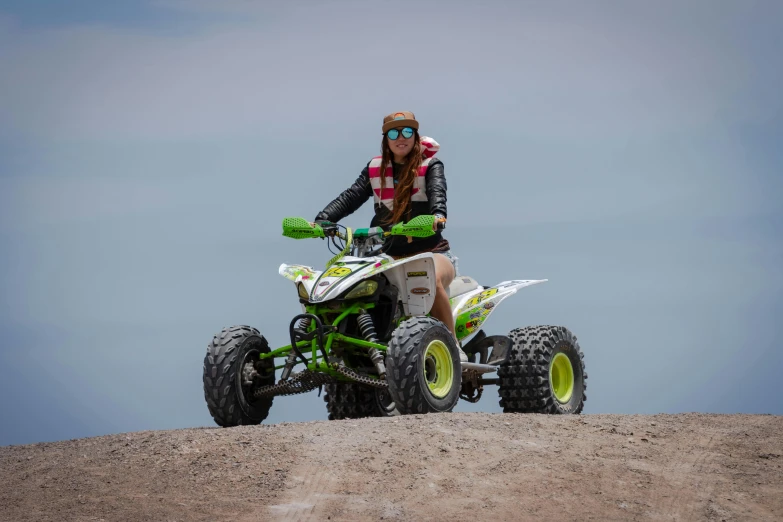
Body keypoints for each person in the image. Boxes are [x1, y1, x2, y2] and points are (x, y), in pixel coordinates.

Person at [314, 110, 467, 362]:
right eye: (394, 132)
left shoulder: (430, 166)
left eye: (408, 131)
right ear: (385, 139)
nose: (401, 137)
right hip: (388, 255)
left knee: (430, 277)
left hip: (431, 252)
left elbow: (438, 191)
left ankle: (452, 346)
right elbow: (352, 196)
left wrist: (437, 216)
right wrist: (324, 218)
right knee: (352, 287)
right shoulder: (375, 168)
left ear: (415, 136)